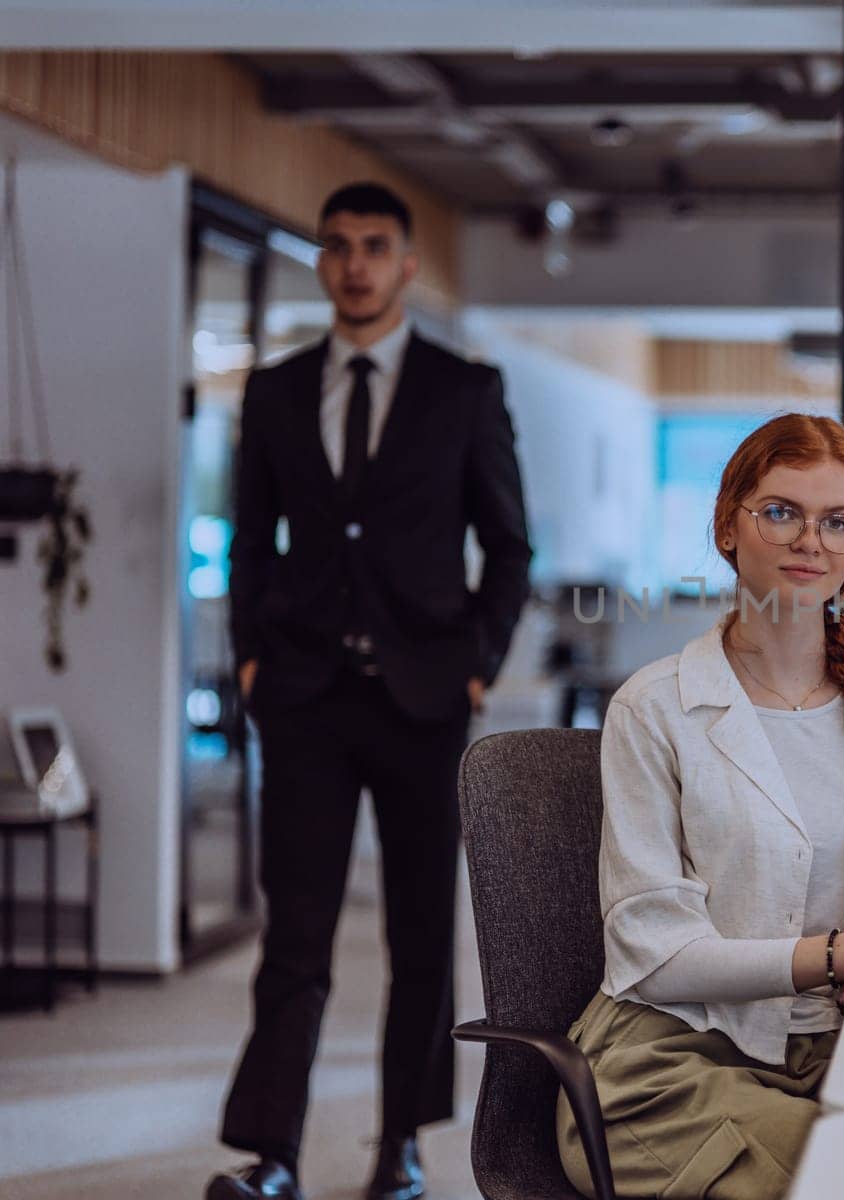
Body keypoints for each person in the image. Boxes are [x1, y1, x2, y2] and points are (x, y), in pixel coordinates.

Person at [555, 413, 844, 1199]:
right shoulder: (653, 708)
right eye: (780, 512)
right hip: (672, 1064)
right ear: (730, 526)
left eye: (837, 522)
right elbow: (657, 957)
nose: (811, 541)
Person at [209, 183, 533, 1200]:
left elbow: (510, 544)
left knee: (420, 935)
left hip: (424, 697)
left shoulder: (464, 390)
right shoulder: (273, 391)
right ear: (323, 263)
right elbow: (248, 539)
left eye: (374, 246)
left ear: (405, 266)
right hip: (301, 693)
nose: (354, 263)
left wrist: (477, 659)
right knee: (293, 938)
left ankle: (400, 1144)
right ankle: (273, 1155)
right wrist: (252, 660)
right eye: (338, 246)